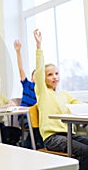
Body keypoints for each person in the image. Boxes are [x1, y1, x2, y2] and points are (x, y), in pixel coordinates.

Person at [34, 29, 88, 170]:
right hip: (52, 138)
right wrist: (39, 47)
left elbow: (78, 104)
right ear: (43, 79)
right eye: (50, 74)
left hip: (69, 134)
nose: (54, 77)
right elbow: (39, 72)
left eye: (56, 73)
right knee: (85, 152)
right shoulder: (42, 92)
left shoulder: (63, 94)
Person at [13, 40, 44, 149]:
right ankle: (33, 146)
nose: (38, 77)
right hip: (25, 117)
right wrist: (18, 52)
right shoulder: (27, 85)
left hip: (39, 118)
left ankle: (36, 146)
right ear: (32, 78)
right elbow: (21, 69)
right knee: (36, 126)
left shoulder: (43, 90)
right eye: (36, 75)